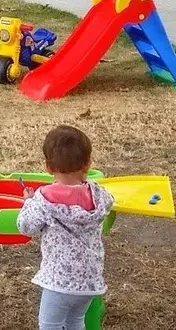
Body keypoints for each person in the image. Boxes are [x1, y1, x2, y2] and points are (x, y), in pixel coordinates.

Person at [17, 125, 114, 330]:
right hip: (89, 281)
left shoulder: (44, 199)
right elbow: (110, 201)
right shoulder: (99, 195)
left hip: (59, 282)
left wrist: (29, 202)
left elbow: (25, 226)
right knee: (75, 322)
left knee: (50, 325)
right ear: (87, 164)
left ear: (48, 168)